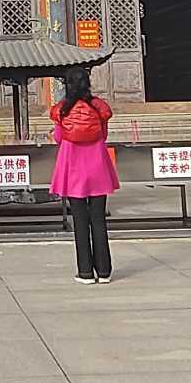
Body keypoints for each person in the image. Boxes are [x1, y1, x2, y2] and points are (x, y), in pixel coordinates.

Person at [49, 69, 118, 285]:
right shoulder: (98, 107)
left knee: (80, 221)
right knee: (98, 219)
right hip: (97, 165)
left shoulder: (62, 110)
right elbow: (103, 135)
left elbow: (59, 138)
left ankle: (85, 271)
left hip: (72, 167)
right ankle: (104, 271)